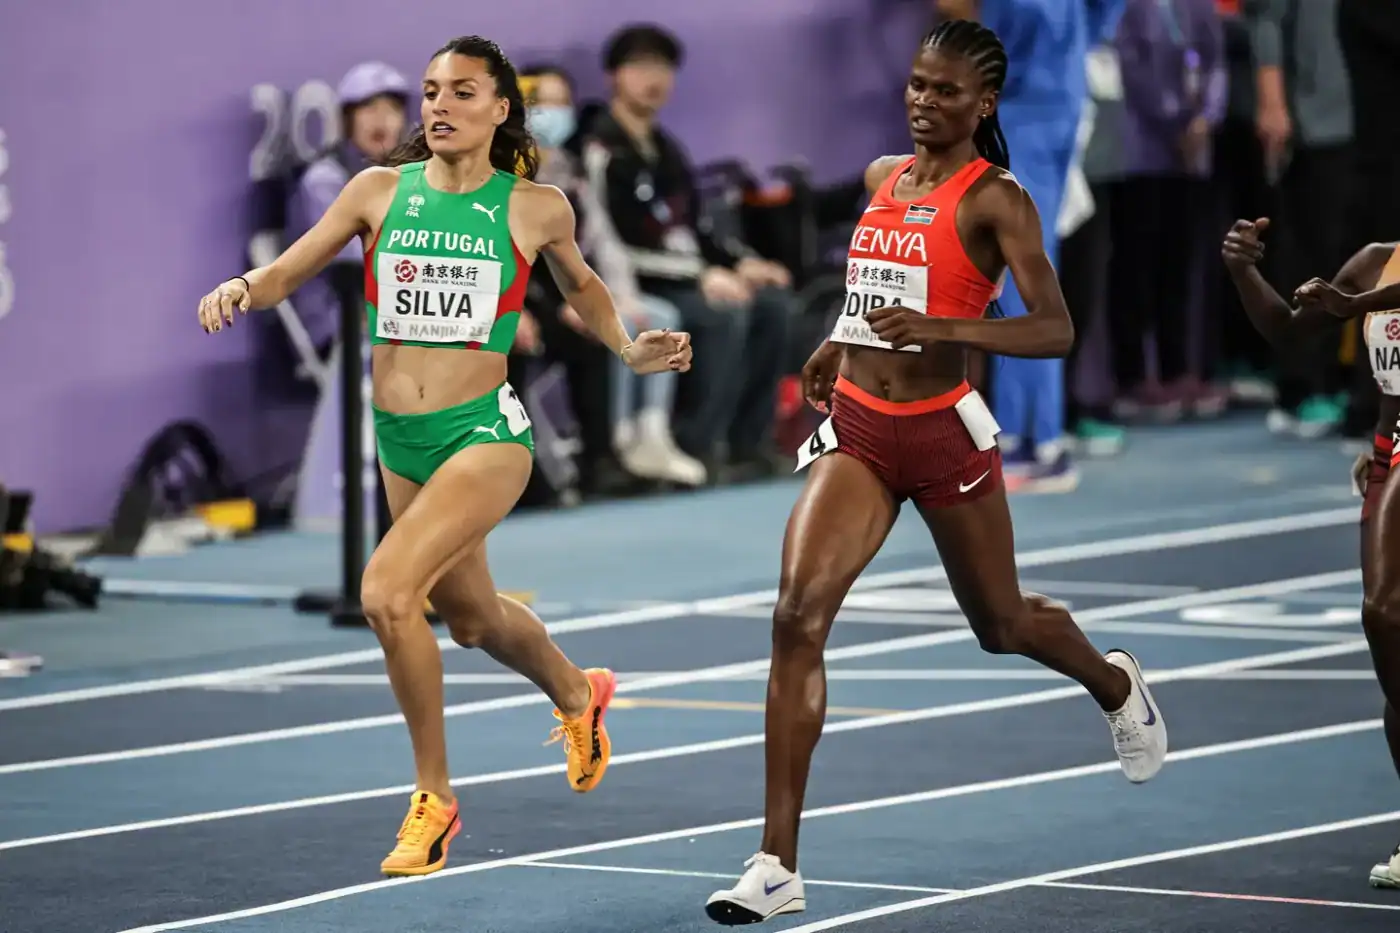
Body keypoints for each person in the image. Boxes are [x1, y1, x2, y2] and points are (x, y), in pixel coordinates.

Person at [703, 20, 1167, 926]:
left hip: (945, 436)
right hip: (862, 432)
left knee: (1001, 623)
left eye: (946, 91)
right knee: (797, 615)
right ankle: (776, 862)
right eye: (917, 85)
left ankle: (1111, 681)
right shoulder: (883, 179)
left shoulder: (996, 199)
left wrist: (950, 331)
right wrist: (836, 341)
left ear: (982, 103)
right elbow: (871, 284)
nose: (925, 101)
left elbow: (1053, 329)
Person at [195, 35, 691, 878]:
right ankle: (578, 690)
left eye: (462, 92)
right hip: (402, 439)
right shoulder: (378, 190)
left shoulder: (534, 206)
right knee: (471, 619)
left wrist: (628, 347)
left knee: (389, 594)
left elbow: (581, 285)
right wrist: (245, 288)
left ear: (501, 110)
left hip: (485, 434)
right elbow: (290, 266)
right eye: (431, 91)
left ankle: (435, 798)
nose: (439, 106)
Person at [1221, 217, 1400, 888]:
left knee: (1387, 614)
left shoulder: (1372, 289)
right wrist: (1244, 272)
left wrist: (1356, 308)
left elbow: (1353, 307)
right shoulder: (1379, 261)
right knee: (1389, 629)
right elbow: (1288, 328)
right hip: (1390, 457)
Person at [582, 23, 795, 480]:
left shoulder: (668, 150)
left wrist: (743, 263)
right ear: (613, 76)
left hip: (684, 273)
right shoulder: (599, 148)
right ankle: (699, 443)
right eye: (640, 66)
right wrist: (700, 277)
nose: (653, 78)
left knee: (775, 305)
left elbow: (697, 228)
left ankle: (747, 442)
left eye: (662, 68)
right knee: (721, 312)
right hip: (640, 283)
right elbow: (611, 242)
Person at [522, 64, 706, 487]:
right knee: (611, 327)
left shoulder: (571, 170)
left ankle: (652, 433)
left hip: (580, 292)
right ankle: (616, 442)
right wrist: (559, 305)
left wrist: (623, 296)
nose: (553, 112)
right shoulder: (510, 174)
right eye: (541, 103)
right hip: (538, 302)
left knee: (659, 317)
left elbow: (603, 243)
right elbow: (517, 256)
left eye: (561, 103)